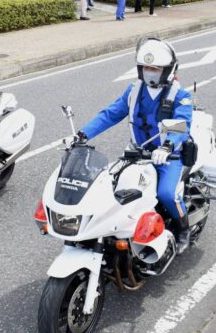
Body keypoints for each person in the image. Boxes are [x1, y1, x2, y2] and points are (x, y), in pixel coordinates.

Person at [74, 38, 194, 253]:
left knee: (166, 194)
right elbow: (110, 114)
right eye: (146, 67)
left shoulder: (180, 95)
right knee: (111, 185)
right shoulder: (133, 90)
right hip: (137, 154)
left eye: (155, 68)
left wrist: (167, 147)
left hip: (168, 157)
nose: (150, 72)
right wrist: (83, 134)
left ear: (168, 70)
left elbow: (181, 126)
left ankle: (183, 229)